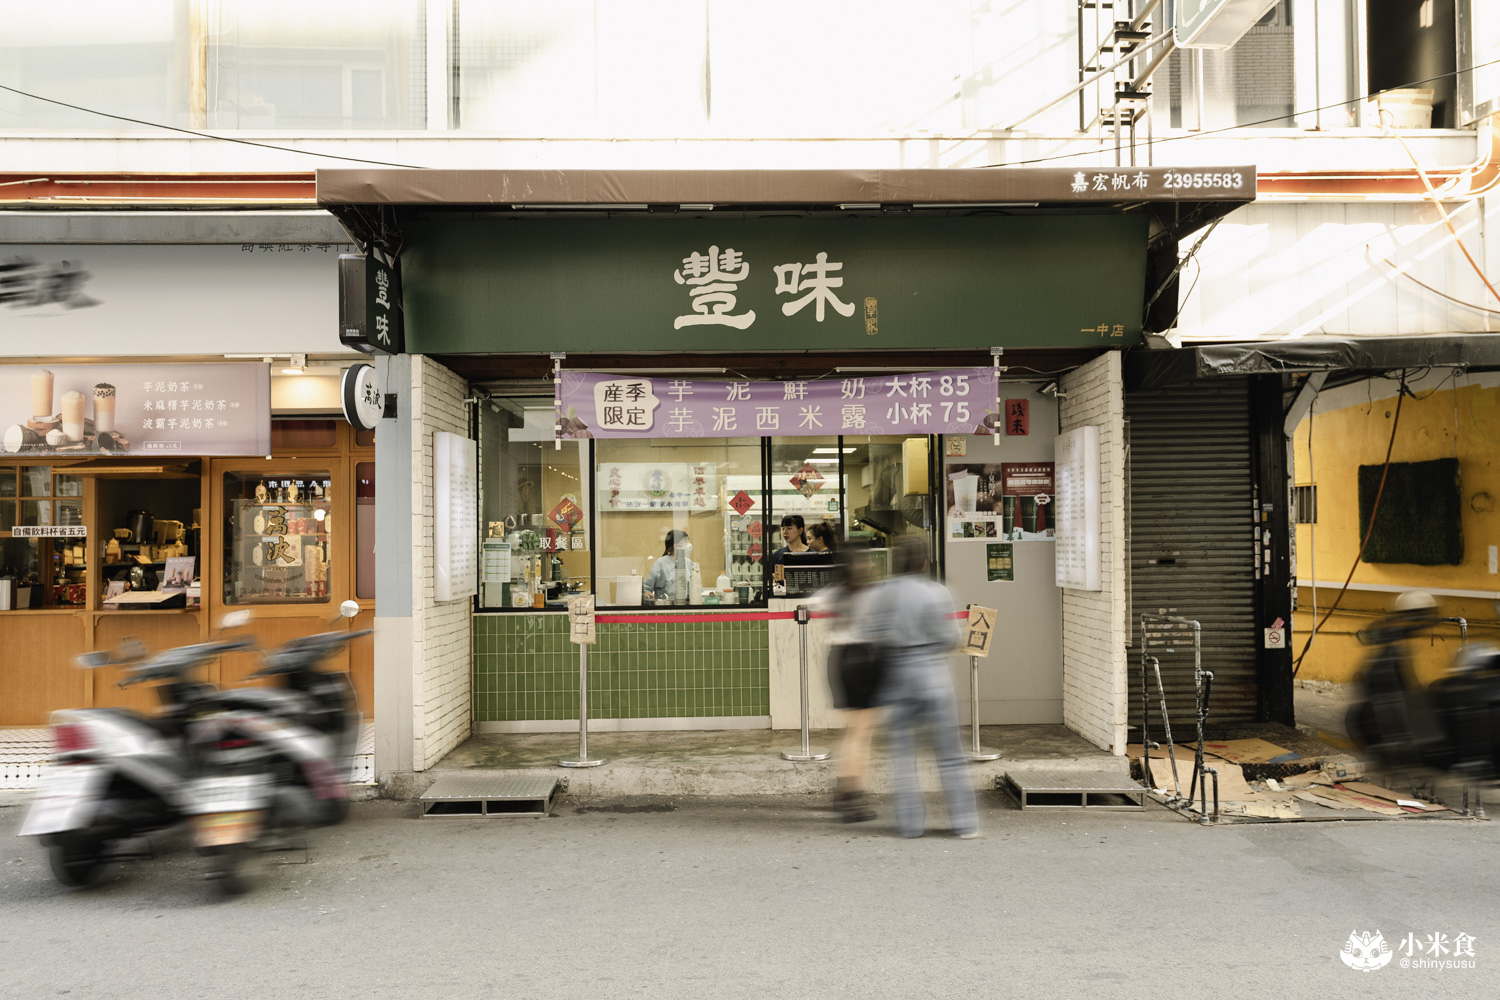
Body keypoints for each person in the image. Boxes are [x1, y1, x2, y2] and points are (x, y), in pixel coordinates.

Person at [870, 535, 978, 839]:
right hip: (933, 678)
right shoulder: (937, 592)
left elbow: (874, 634)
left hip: (897, 678)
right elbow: (951, 639)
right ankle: (964, 822)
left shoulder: (882, 593)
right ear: (923, 562)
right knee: (949, 754)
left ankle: (910, 824)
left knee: (903, 756)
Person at [814, 544, 880, 822]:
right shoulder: (871, 595)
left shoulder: (833, 592)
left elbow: (811, 604)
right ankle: (851, 796)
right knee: (861, 733)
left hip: (838, 660)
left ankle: (845, 791)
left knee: (855, 730)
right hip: (862, 659)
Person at [644, 529, 690, 604]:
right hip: (666, 608)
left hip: (687, 607)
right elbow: (646, 589)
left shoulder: (689, 563)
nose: (688, 545)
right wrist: (647, 594)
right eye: (685, 541)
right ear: (676, 545)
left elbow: (697, 589)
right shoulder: (660, 564)